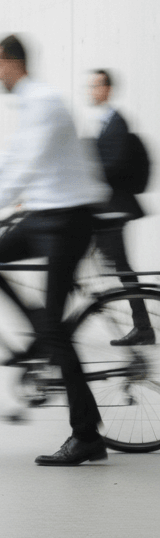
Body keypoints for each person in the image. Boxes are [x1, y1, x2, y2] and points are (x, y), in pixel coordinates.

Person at [0, 34, 110, 466]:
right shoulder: (30, 104)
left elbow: (25, 167)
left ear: (11, 63)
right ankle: (38, 332)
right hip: (45, 214)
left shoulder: (44, 102)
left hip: (69, 219)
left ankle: (86, 435)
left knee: (55, 330)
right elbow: (7, 157)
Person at [87, 69, 153, 346]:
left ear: (108, 89)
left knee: (122, 269)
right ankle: (139, 325)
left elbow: (113, 167)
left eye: (95, 86)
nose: (91, 91)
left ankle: (142, 327)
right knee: (109, 265)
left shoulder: (116, 123)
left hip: (113, 210)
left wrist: (89, 169)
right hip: (106, 209)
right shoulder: (107, 123)